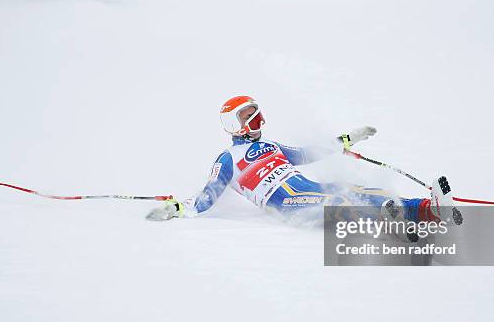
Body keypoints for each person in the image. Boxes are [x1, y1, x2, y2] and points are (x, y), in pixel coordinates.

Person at [147, 95, 460, 232]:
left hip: (308, 188)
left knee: (359, 189)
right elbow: (209, 195)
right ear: (232, 124)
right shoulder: (228, 159)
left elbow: (307, 153)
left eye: (256, 112)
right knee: (339, 201)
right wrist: (177, 208)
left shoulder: (271, 146)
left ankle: (427, 210)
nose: (256, 119)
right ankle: (392, 224)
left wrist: (346, 140)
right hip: (287, 203)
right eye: (247, 115)